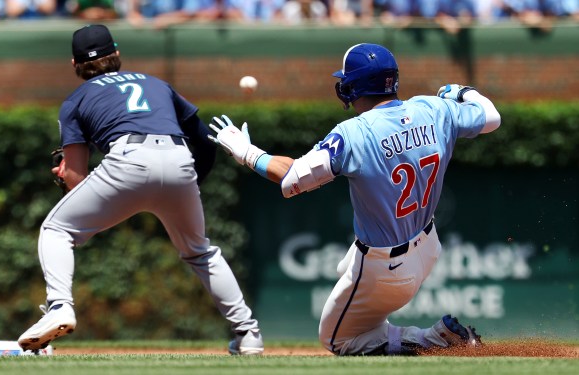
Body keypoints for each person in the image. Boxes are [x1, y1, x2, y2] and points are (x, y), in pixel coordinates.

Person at [208, 43, 501, 355]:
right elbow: (491, 116)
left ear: (354, 86)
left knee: (337, 339)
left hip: (384, 267)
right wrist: (463, 91)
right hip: (428, 249)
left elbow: (292, 179)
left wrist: (248, 153)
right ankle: (426, 332)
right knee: (350, 269)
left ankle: (434, 337)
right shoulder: (433, 108)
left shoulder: (353, 133)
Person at [17, 24, 263, 356]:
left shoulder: (75, 99)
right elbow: (204, 141)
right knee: (200, 252)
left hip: (127, 159)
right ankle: (248, 334)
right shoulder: (156, 84)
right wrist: (189, 184)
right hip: (179, 161)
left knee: (56, 229)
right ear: (116, 54)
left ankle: (60, 306)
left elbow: (76, 175)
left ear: (74, 65)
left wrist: (65, 178)